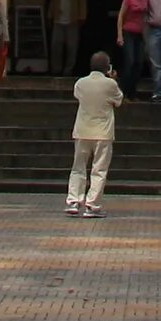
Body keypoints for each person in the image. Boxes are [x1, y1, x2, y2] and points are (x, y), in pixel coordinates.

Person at [64, 47, 124, 218]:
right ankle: (92, 204)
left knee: (78, 168)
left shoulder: (80, 83)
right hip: (102, 133)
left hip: (82, 130)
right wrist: (113, 79)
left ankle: (73, 201)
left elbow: (78, 96)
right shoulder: (110, 84)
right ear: (108, 68)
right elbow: (118, 100)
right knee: (99, 169)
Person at [47, 0, 86, 78]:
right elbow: (53, 0)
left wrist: (82, 15)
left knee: (71, 47)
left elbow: (82, 0)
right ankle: (56, 69)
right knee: (56, 46)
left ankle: (68, 69)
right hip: (59, 19)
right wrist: (50, 15)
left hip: (72, 19)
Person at [115, 0, 151, 94]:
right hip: (128, 32)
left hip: (140, 34)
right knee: (130, 61)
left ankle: (132, 91)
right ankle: (123, 91)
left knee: (139, 63)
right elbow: (121, 16)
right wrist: (120, 35)